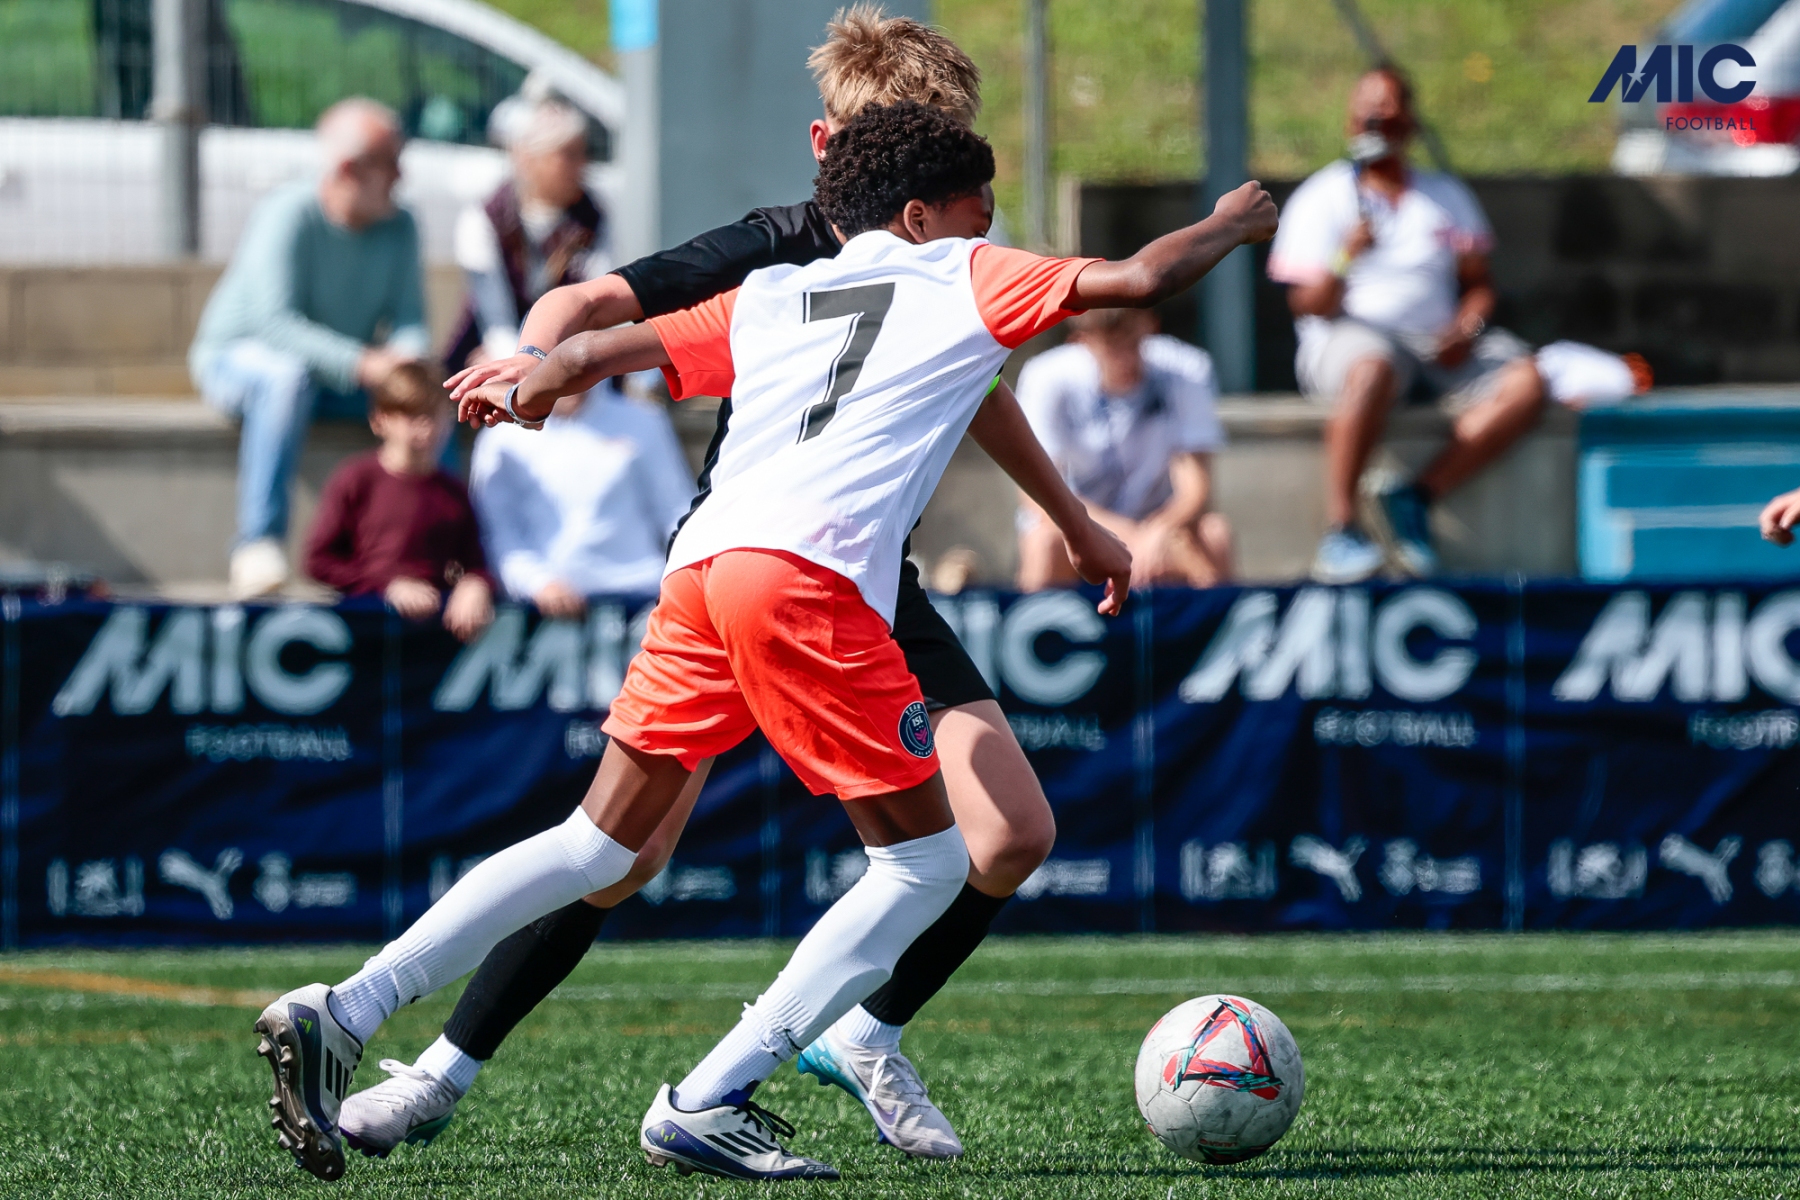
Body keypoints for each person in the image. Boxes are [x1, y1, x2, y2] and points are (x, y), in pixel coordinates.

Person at [253, 99, 1275, 1183]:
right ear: (921, 216)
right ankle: (712, 1095)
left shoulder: (782, 290)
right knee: (927, 863)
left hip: (704, 571)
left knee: (597, 846)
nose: (989, 229)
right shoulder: (960, 274)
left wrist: (538, 377)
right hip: (810, 581)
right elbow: (1141, 279)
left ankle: (345, 1007)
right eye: (978, 211)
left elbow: (607, 345)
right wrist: (1231, 221)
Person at [341, 9, 1079, 1164]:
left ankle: (866, 1033)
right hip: (753, 563)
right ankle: (440, 1071)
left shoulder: (946, 257)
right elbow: (592, 305)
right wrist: (540, 363)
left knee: (1013, 832)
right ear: (831, 141)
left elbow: (981, 393)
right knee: (622, 853)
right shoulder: (779, 245)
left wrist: (1076, 523)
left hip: (867, 574)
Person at [1267, 65, 1547, 585]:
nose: (1377, 124)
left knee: (1528, 380)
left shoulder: (1445, 196)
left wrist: (1467, 328)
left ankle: (1416, 496)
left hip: (1436, 345)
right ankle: (1342, 528)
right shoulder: (1322, 197)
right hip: (1353, 340)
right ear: (1350, 124)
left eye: (1389, 115)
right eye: (1367, 115)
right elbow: (1308, 305)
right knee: (1372, 368)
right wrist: (1346, 256)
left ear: (1412, 125)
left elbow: (1479, 284)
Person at [189, 97, 428, 599]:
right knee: (285, 377)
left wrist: (409, 364)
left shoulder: (401, 224)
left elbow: (410, 318)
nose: (401, 176)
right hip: (240, 363)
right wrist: (362, 363)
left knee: (433, 394)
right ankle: (258, 544)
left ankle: (436, 544)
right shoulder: (288, 213)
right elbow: (271, 323)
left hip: (336, 378)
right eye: (390, 162)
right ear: (348, 169)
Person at [1016, 307, 1232, 589]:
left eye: (1133, 342)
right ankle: (1031, 616)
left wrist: (1158, 530)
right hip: (1080, 522)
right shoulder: (1046, 375)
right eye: (1111, 346)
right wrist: (1126, 537)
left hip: (1160, 525)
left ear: (1151, 328)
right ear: (1081, 341)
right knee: (1044, 542)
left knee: (1215, 534)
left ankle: (1222, 616)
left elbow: (1195, 489)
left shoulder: (1186, 369)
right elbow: (1037, 497)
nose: (1125, 358)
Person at [468, 373, 693, 611]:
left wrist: (687, 582)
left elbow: (675, 511)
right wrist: (537, 583)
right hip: (542, 610)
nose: (564, 373)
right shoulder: (500, 439)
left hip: (642, 596)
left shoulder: (644, 421)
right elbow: (497, 531)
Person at [303, 363, 494, 642]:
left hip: (430, 639)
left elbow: (475, 563)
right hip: (362, 633)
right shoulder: (356, 480)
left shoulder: (452, 493)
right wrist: (387, 586)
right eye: (412, 415)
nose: (425, 427)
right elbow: (319, 560)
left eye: (434, 416)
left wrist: (475, 585)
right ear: (380, 420)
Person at [445, 96, 609, 372]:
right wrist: (529, 366)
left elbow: (598, 300)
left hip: (569, 355)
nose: (582, 165)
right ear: (531, 159)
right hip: (495, 350)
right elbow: (496, 319)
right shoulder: (485, 218)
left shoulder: (592, 218)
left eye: (584, 153)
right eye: (568, 155)